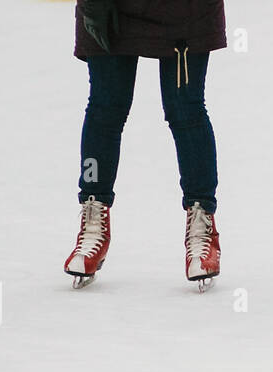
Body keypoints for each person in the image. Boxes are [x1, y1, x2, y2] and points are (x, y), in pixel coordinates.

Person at [63, 0, 226, 291]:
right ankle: (94, 214)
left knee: (186, 110)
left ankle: (202, 222)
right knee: (104, 108)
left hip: (185, 10)